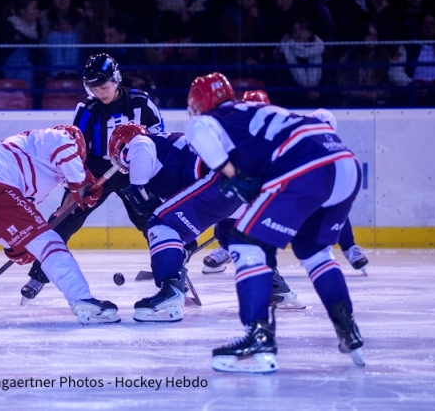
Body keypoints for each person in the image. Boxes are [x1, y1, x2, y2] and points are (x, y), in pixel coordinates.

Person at [185, 72, 365, 373]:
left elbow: (198, 130)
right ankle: (348, 329)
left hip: (306, 169)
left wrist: (234, 176)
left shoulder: (216, 117)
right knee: (314, 250)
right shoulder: (262, 111)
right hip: (345, 163)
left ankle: (258, 337)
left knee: (244, 242)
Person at [109, 123, 304, 321]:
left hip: (221, 179)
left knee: (162, 223)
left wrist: (138, 187)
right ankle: (273, 286)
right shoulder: (166, 152)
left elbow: (140, 146)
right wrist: (183, 243)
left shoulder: (139, 144)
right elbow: (192, 207)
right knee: (232, 237)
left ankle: (171, 292)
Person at [0, 126, 121, 324]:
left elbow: (5, 218)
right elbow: (62, 146)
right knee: (49, 242)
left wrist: (16, 246)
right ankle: (82, 300)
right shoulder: (57, 137)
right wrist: (82, 182)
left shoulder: (24, 164)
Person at [18, 53, 163, 303]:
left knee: (149, 218)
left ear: (116, 80)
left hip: (133, 172)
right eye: (94, 87)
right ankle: (38, 276)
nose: (100, 92)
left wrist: (139, 160)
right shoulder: (87, 109)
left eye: (104, 86)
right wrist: (77, 183)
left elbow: (159, 136)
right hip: (94, 172)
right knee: (65, 220)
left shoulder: (141, 102)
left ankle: (169, 272)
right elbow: (74, 147)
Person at [202, 89, 370, 274]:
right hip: (261, 187)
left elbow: (323, 117)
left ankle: (349, 247)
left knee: (325, 201)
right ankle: (227, 246)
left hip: (287, 185)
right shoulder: (234, 131)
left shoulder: (284, 124)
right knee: (228, 195)